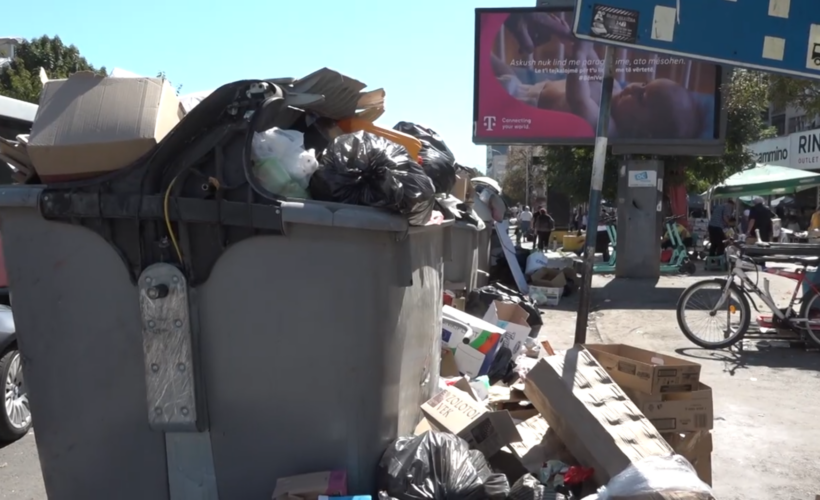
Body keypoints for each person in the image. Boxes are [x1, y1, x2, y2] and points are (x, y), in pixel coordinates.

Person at [491, 18, 705, 140]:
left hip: (521, 106)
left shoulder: (607, 126)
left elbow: (579, 99)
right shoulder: (613, 91)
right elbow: (595, 67)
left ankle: (488, 52)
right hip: (529, 88)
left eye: (642, 98)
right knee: (503, 69)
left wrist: (579, 54)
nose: (634, 88)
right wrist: (575, 43)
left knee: (499, 80)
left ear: (642, 132)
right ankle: (492, 49)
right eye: (644, 85)